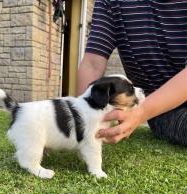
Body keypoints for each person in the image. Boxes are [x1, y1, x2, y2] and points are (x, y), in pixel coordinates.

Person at [77, 0, 187, 146]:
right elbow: (92, 64)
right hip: (165, 111)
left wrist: (140, 112)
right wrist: (81, 116)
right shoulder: (111, 3)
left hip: (148, 108)